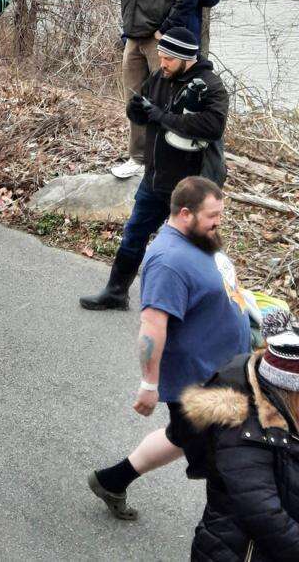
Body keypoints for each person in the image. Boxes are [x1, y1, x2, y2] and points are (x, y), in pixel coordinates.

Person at [87, 176, 251, 523]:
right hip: (199, 383)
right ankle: (227, 535)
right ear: (185, 213)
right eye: (213, 215)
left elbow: (223, 285)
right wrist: (149, 384)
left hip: (226, 369)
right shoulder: (167, 260)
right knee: (227, 460)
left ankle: (111, 481)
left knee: (182, 438)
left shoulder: (202, 239)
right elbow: (152, 327)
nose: (219, 221)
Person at [80, 27, 229, 311]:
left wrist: (162, 116)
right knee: (134, 234)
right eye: (161, 57)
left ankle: (202, 306)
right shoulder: (160, 76)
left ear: (186, 58)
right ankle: (116, 292)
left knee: (194, 247)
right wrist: (136, 110)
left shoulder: (211, 85)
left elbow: (213, 126)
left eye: (168, 59)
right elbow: (144, 109)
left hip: (190, 188)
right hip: (155, 177)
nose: (162, 64)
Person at [182, 309, 299, 561]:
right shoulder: (245, 435)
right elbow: (266, 518)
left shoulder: (284, 406)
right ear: (291, 391)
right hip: (240, 552)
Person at [103, 0, 198, 179]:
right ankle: (139, 158)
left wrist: (164, 30)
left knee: (166, 101)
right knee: (135, 100)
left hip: (161, 42)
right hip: (132, 37)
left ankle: (170, 159)